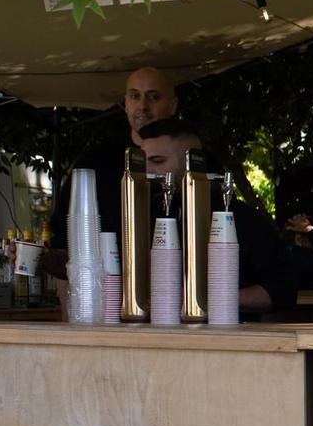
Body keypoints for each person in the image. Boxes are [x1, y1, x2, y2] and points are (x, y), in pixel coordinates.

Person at [134, 119, 298, 313]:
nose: (147, 171)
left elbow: (281, 291)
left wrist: (205, 298)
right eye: (142, 162)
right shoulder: (140, 214)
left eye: (157, 161)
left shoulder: (236, 216)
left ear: (193, 164)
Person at [48, 66, 178, 264]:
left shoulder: (193, 161)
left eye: (153, 97)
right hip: (104, 289)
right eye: (135, 96)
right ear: (125, 103)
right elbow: (63, 241)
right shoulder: (96, 161)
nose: (143, 106)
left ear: (172, 105)